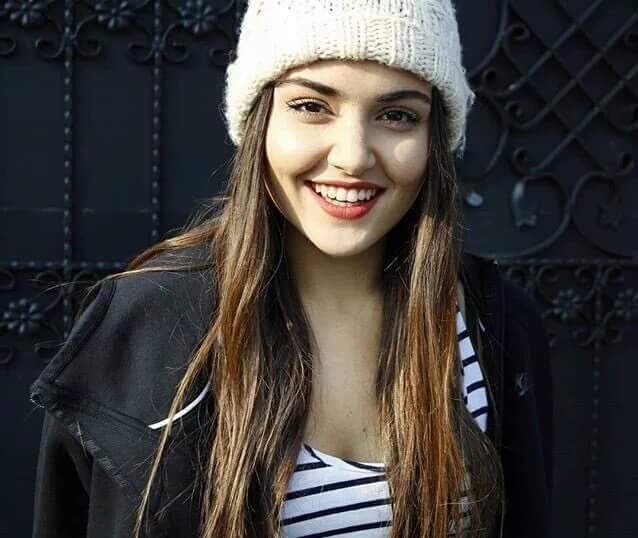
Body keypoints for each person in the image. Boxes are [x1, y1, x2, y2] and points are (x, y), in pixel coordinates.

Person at [29, 1, 553, 537]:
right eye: (311, 106)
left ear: (433, 138)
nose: (353, 156)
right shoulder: (144, 328)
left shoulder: (496, 327)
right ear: (260, 120)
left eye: (397, 115)